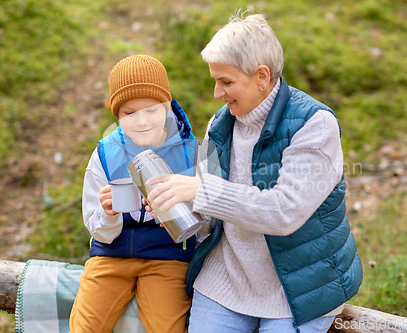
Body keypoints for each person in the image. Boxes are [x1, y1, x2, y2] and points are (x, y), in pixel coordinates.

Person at [143, 12, 363, 333]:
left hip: (301, 286)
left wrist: (200, 192)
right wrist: (176, 207)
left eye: (226, 82)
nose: (217, 93)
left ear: (262, 76)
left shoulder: (314, 125)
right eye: (215, 81)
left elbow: (283, 213)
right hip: (227, 278)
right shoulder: (222, 122)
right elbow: (212, 212)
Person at [69, 55, 197, 333]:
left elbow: (208, 219)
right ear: (116, 114)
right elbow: (99, 231)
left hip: (168, 256)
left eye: (151, 110)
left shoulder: (192, 152)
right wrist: (109, 213)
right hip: (111, 254)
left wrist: (184, 211)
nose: (141, 122)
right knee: (85, 328)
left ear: (167, 106)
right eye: (129, 113)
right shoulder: (105, 153)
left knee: (168, 328)